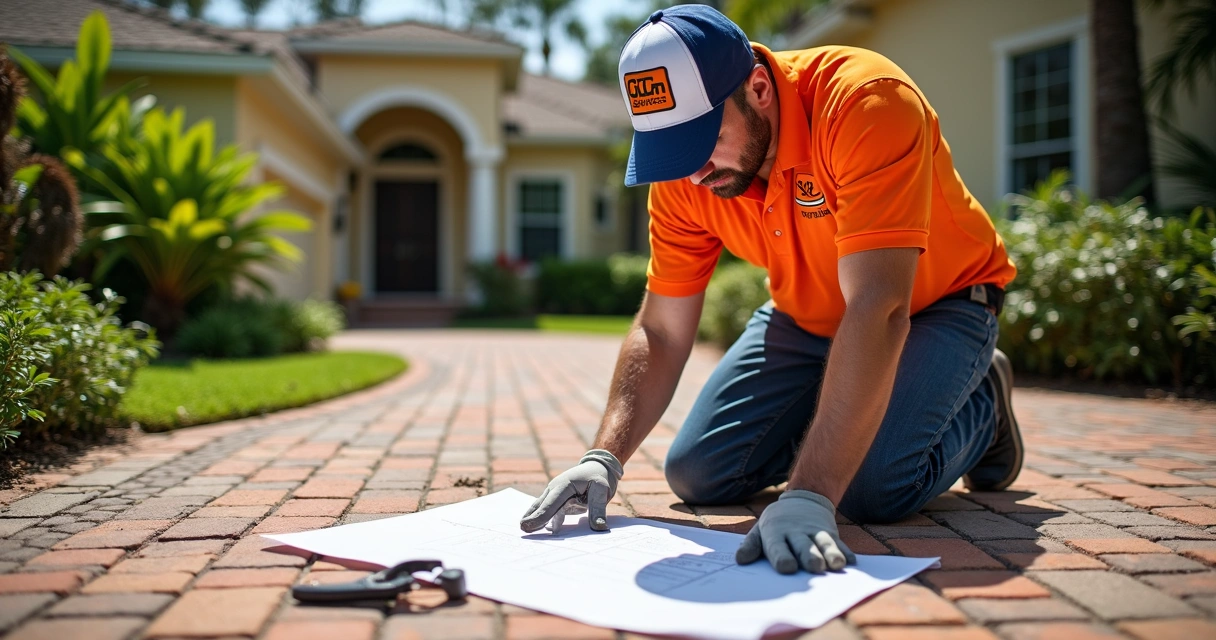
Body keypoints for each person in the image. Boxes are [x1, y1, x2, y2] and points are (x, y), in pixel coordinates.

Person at [518, 4, 1021, 576]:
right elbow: (661, 328)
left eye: (703, 139)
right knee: (698, 474)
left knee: (871, 490)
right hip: (804, 317)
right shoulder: (686, 175)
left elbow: (880, 308)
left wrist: (810, 494)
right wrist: (603, 456)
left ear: (758, 88)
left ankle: (984, 400)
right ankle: (851, 409)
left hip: (939, 304)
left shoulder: (866, 103)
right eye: (673, 149)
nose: (694, 173)